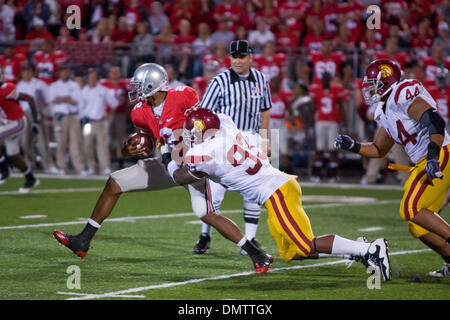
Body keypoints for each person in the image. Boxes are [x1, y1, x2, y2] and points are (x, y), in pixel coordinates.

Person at [52, 63, 273, 274]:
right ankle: (83, 240)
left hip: (193, 163)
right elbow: (148, 140)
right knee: (115, 182)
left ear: (152, 86)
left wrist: (185, 149)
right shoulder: (139, 111)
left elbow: (203, 126)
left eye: (139, 86)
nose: (135, 91)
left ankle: (256, 252)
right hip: (168, 162)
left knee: (205, 213)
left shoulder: (182, 95)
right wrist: (131, 149)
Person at [167, 107, 392, 281]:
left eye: (192, 131)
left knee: (304, 244)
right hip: (277, 189)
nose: (189, 135)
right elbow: (216, 117)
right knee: (291, 253)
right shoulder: (226, 124)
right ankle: (355, 251)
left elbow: (181, 178)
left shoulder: (203, 153)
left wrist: (169, 164)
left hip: (276, 192)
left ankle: (370, 249)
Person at [335, 59, 450, 278]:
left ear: (386, 80)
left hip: (441, 154)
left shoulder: (402, 93)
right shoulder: (384, 109)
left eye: (373, 83)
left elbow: (435, 122)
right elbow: (379, 149)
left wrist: (434, 155)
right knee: (419, 227)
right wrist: (354, 146)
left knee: (411, 208)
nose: (369, 88)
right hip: (424, 161)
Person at [195, 40, 272, 255]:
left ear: (250, 57)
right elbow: (204, 113)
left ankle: (251, 239)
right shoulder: (219, 81)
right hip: (225, 140)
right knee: (215, 192)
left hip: (252, 139)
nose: (237, 60)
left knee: (254, 191)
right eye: (234, 56)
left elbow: (265, 111)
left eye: (242, 56)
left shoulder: (261, 79)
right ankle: (205, 235)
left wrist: (265, 140)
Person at [0, 66, 40, 193]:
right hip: (8, 123)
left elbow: (29, 98)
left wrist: (36, 121)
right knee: (13, 155)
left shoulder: (6, 89)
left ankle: (3, 169)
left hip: (18, 122)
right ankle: (30, 178)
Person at [79, 69, 119, 175]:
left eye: (94, 78)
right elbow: (80, 107)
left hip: (100, 122)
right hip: (88, 122)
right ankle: (91, 166)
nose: (92, 80)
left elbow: (114, 104)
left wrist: (108, 117)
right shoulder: (84, 91)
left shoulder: (103, 90)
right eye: (90, 78)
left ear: (97, 79)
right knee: (87, 145)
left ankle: (105, 167)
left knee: (102, 146)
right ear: (87, 79)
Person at [48, 65, 85, 175]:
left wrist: (62, 99)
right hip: (60, 117)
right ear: (59, 73)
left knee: (75, 143)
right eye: (63, 72)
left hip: (73, 116)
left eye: (66, 71)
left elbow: (76, 101)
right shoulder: (54, 86)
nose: (65, 74)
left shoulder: (74, 85)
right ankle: (61, 167)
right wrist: (66, 99)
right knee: (61, 143)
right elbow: (53, 100)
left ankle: (79, 168)